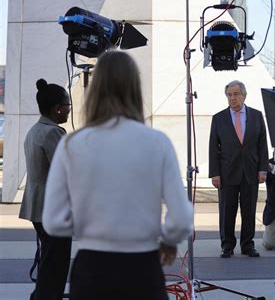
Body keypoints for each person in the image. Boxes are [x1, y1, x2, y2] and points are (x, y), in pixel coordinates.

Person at [42, 50, 193, 300]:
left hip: (92, 267)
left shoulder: (72, 145)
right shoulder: (156, 142)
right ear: (135, 88)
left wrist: (91, 226)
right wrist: (168, 238)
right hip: (142, 266)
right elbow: (182, 217)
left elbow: (53, 220)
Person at [18, 78, 72, 300]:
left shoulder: (35, 130)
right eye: (67, 106)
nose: (69, 111)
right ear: (58, 109)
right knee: (56, 267)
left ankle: (41, 295)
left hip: (37, 206)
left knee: (49, 262)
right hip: (54, 210)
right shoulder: (53, 133)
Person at [209, 80, 269, 258]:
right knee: (227, 210)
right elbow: (213, 148)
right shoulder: (218, 118)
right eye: (229, 95)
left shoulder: (257, 116)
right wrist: (215, 173)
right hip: (227, 173)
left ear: (244, 95)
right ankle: (227, 245)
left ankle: (247, 245)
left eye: (236, 94)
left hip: (251, 171)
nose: (232, 98)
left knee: (249, 210)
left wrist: (263, 169)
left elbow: (262, 145)